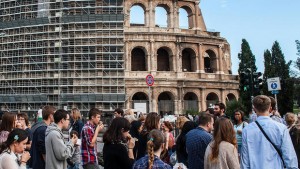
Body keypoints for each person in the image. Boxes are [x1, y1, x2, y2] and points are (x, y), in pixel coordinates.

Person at [241, 95, 298, 169]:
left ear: (254, 109)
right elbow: (289, 156)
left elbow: (245, 159)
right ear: (270, 108)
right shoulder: (281, 128)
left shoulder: (246, 130)